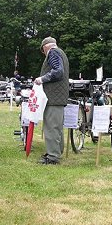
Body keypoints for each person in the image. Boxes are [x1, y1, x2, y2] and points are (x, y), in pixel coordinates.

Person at [34, 37, 69, 165]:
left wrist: (41, 79)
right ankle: (56, 152)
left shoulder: (53, 53)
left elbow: (58, 72)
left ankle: (53, 157)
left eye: (43, 51)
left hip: (53, 98)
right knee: (57, 127)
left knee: (51, 127)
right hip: (59, 98)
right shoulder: (62, 53)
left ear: (45, 47)